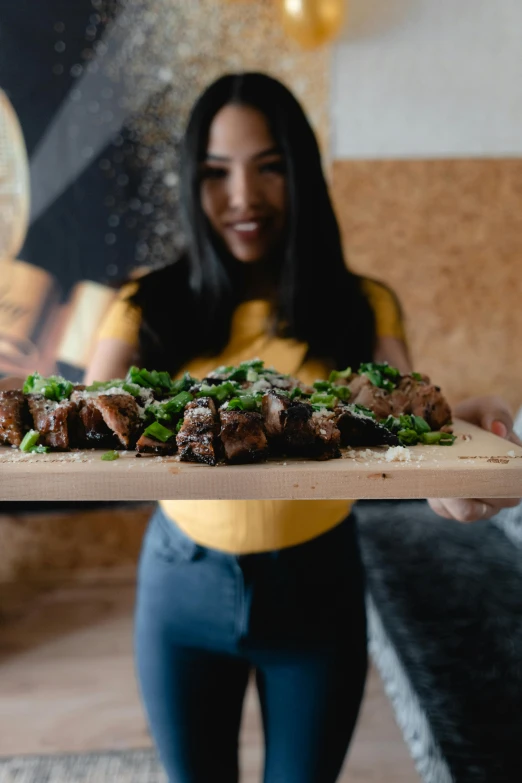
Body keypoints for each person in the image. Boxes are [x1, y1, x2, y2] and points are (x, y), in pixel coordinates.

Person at [3, 72, 519, 782]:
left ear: (301, 173)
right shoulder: (142, 303)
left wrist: (463, 463)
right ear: (193, 182)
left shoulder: (364, 305)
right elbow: (92, 430)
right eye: (216, 173)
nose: (243, 198)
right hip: (178, 589)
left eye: (269, 168)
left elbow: (407, 434)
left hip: (317, 583)